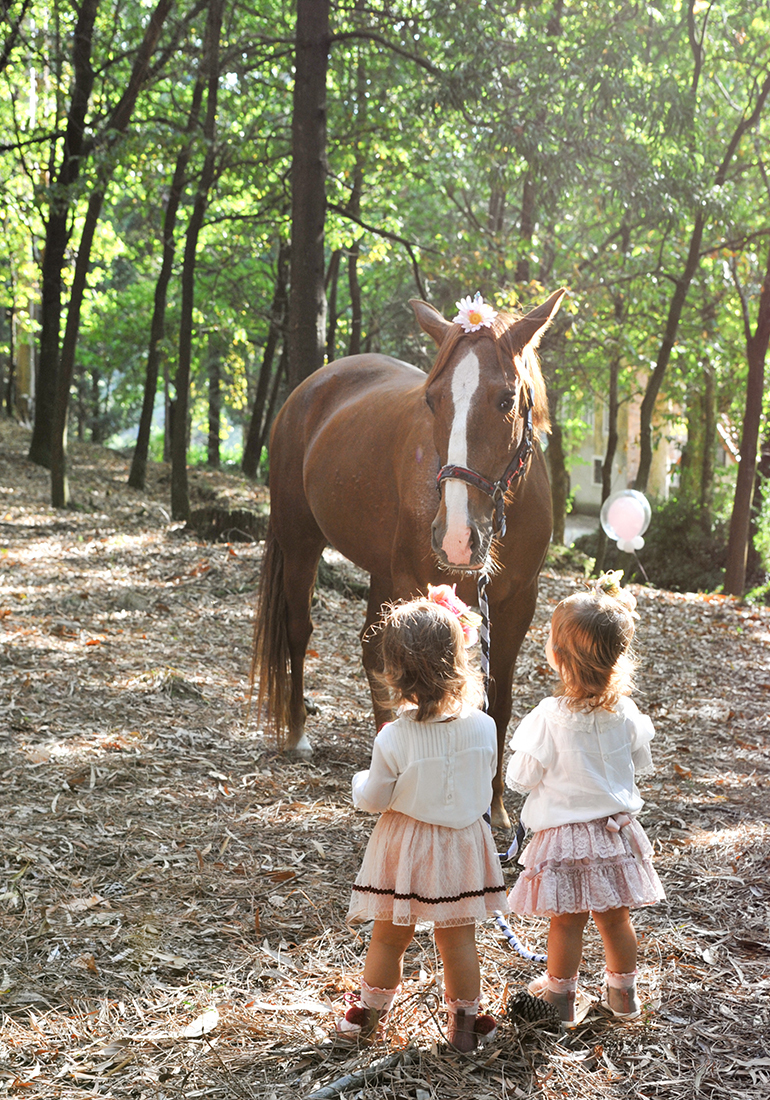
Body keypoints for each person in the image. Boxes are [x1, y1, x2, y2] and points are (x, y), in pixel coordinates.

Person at [340, 589, 508, 1052]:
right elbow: (486, 777)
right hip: (463, 844)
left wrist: (359, 782)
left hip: (407, 846)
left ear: (395, 670)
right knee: (458, 942)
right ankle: (465, 1026)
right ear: (458, 659)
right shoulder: (485, 725)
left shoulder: (394, 736)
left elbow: (374, 798)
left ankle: (367, 1017)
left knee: (390, 938)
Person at [505, 572, 665, 1027]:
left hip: (567, 839)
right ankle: (623, 996)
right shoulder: (626, 712)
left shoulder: (549, 717)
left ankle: (559, 999)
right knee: (616, 921)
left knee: (567, 921)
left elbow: (520, 777)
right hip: (614, 833)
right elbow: (638, 758)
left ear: (557, 657)